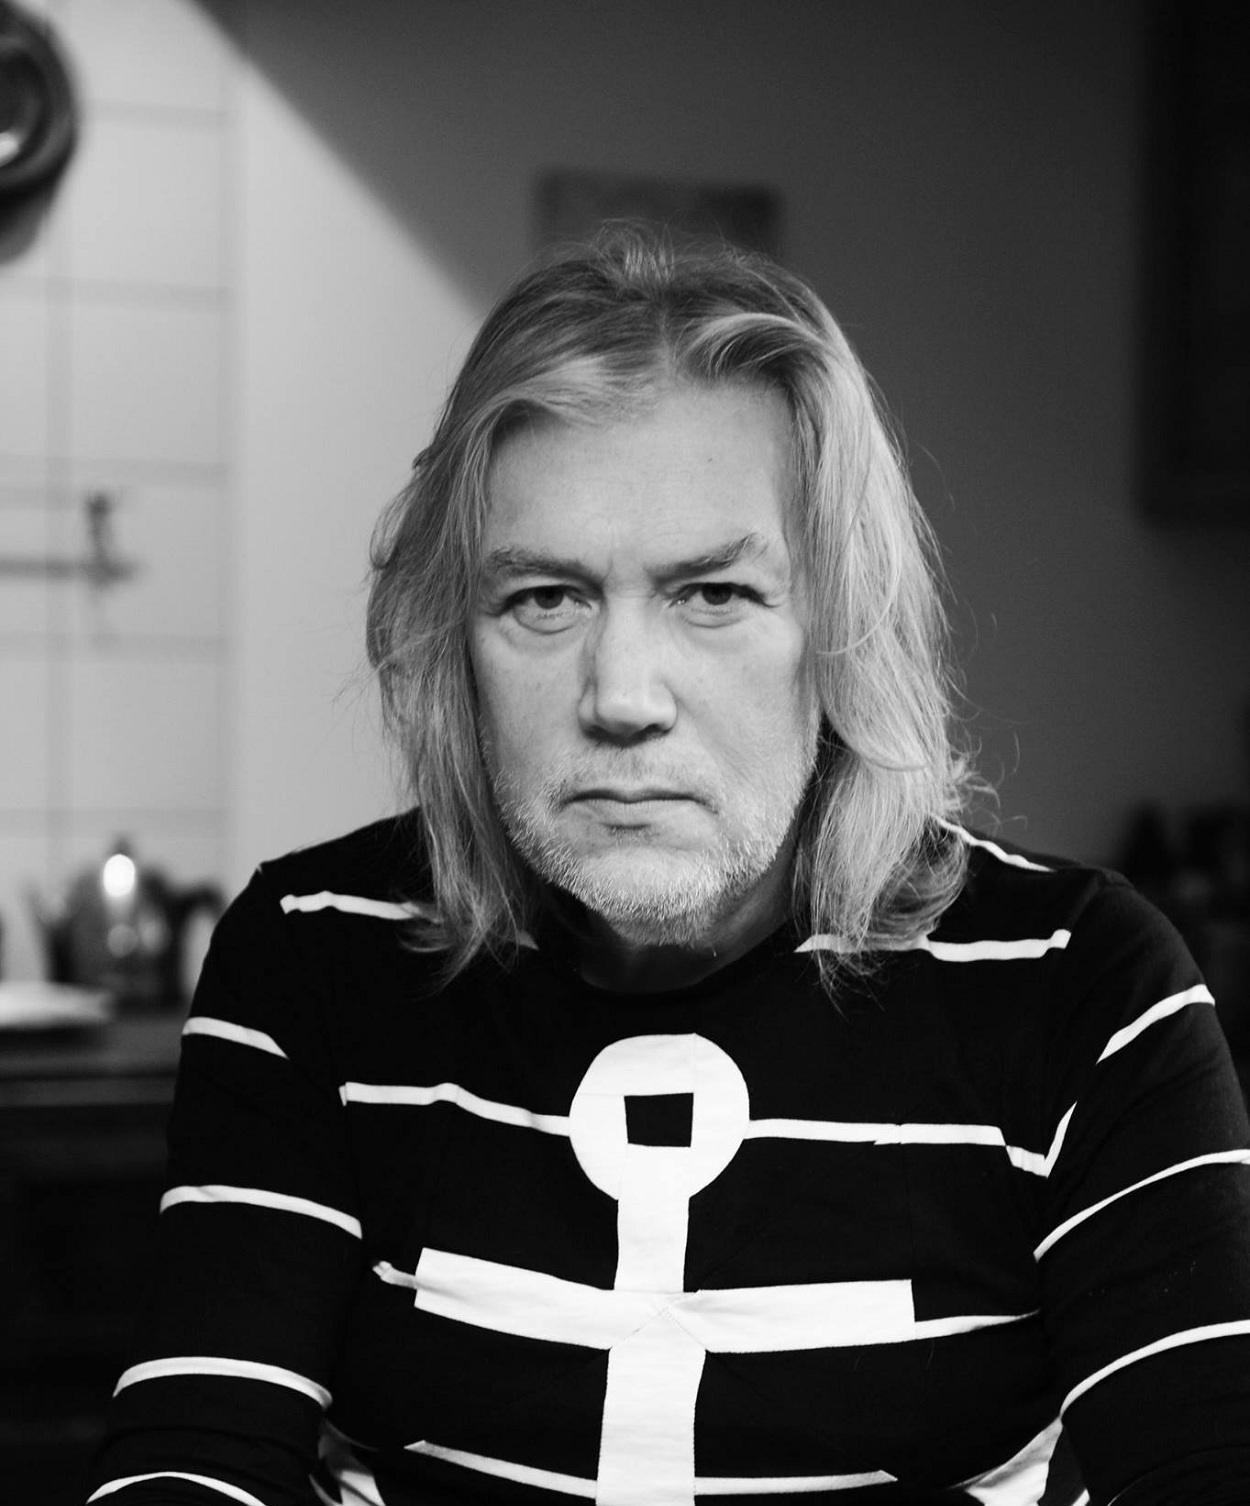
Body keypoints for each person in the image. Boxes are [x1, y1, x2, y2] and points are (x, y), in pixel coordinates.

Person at [87, 230, 1250, 1506]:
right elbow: (195, 1461)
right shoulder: (311, 953)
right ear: (454, 639)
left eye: (711, 595)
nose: (622, 697)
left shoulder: (1083, 991)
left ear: (838, 626)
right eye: (544, 598)